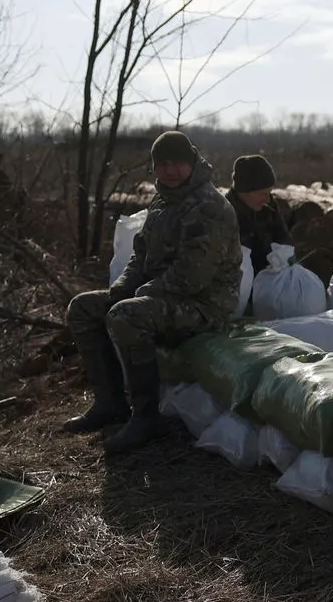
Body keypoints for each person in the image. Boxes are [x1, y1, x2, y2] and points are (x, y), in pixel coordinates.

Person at [64, 130, 242, 453]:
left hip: (204, 305)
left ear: (191, 163)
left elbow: (192, 276)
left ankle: (146, 417)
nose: (170, 170)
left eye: (177, 163)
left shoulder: (209, 206)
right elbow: (140, 255)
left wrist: (141, 295)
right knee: (83, 308)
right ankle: (109, 403)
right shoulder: (162, 201)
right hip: (163, 296)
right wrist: (121, 288)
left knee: (126, 315)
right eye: (162, 164)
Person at [225, 154, 292, 275]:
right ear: (244, 191)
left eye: (269, 192)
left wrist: (284, 257)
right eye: (262, 193)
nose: (267, 199)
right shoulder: (222, 214)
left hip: (271, 280)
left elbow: (283, 239)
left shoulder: (269, 208)